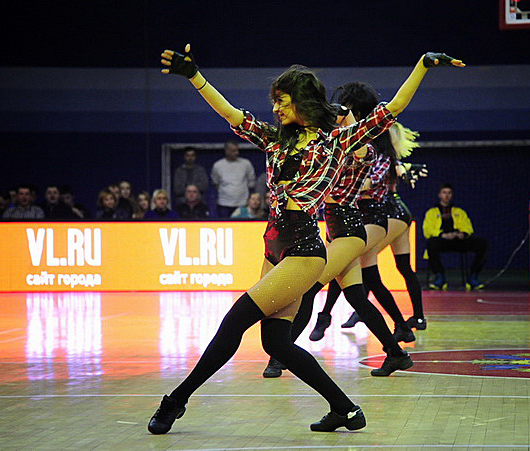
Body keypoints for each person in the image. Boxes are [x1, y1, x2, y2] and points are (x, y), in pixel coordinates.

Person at [153, 42, 460, 435]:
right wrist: (195, 76)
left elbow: (392, 109)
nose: (276, 109)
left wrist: (421, 65)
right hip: (273, 246)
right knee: (276, 344)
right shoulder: (274, 139)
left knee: (234, 322)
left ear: (302, 101)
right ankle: (346, 409)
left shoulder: (336, 142)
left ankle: (175, 401)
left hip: (303, 250)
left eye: (282, 101)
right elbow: (231, 113)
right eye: (274, 102)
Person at [262, 83, 419, 380]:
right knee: (357, 296)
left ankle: (279, 355)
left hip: (348, 228)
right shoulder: (332, 145)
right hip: (335, 226)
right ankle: (396, 353)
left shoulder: (361, 148)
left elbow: (359, 143)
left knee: (309, 288)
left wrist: (345, 117)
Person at [423, 183, 489, 290]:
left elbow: (468, 227)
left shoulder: (459, 211)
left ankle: (473, 277)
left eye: (449, 193)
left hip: (458, 241)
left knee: (482, 244)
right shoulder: (431, 212)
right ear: (439, 195)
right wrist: (443, 235)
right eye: (444, 193)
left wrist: (462, 234)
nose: (446, 195)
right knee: (430, 244)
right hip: (442, 241)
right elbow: (427, 230)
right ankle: (440, 277)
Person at [211, 141, 256, 218]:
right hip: (224, 204)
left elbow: (251, 182)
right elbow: (216, 183)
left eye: (237, 150)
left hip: (242, 203)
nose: (236, 153)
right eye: (233, 151)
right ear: (227, 151)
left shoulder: (246, 164)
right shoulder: (218, 165)